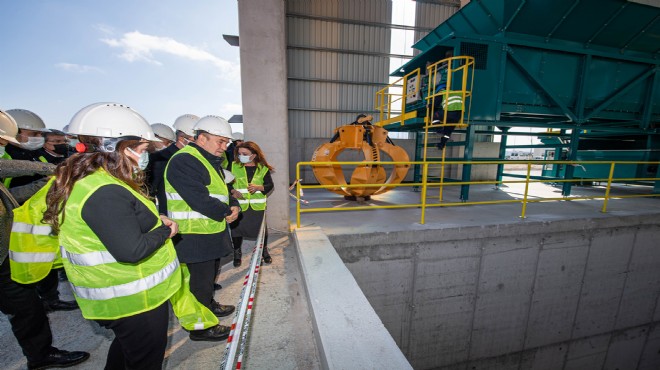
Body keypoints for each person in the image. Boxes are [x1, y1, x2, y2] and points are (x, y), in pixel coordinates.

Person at [41, 103, 229, 369]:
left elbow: (120, 224)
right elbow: (131, 250)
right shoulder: (104, 191)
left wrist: (153, 220)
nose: (144, 157)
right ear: (114, 147)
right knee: (143, 360)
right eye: (140, 150)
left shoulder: (96, 181)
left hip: (125, 298)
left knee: (126, 352)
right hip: (132, 300)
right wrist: (166, 229)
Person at [0, 109, 90, 370]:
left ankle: (40, 355)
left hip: (4, 254)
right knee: (25, 308)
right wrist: (53, 169)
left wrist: (48, 180)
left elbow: (12, 195)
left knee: (27, 308)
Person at [164, 115, 239, 318]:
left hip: (209, 231)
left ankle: (208, 305)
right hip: (193, 235)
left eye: (226, 142)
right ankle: (201, 325)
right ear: (202, 138)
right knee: (198, 282)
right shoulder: (185, 160)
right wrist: (226, 211)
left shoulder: (209, 160)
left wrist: (234, 206)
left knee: (207, 280)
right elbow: (198, 198)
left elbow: (223, 190)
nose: (224, 147)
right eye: (221, 141)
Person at [229, 141, 274, 267]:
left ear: (254, 155)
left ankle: (264, 251)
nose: (241, 156)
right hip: (239, 206)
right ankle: (237, 253)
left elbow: (269, 185)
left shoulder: (262, 168)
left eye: (244, 153)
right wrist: (232, 191)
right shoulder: (233, 166)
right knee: (236, 230)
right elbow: (225, 184)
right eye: (239, 153)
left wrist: (259, 187)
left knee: (261, 231)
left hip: (257, 207)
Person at [148, 114, 198, 215]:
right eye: (194, 140)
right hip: (171, 216)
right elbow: (150, 191)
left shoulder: (192, 157)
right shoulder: (160, 158)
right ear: (181, 139)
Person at [4, 109, 49, 188]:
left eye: (41, 133)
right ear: (13, 132)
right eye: (34, 133)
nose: (40, 137)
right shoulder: (4, 157)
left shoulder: (38, 155)